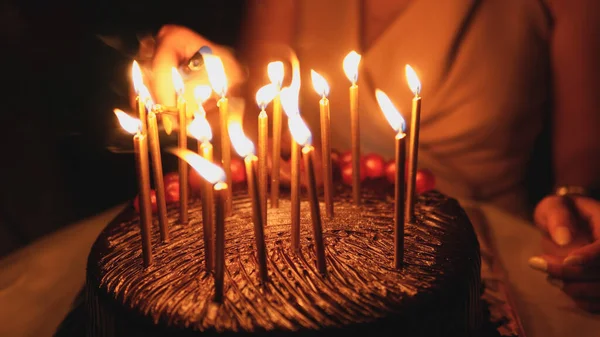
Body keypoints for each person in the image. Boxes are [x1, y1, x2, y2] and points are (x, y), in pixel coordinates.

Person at [140, 0, 600, 312]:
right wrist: (205, 66)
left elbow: (583, 155)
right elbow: (263, 104)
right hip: (312, 247)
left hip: (489, 255)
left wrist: (575, 203)